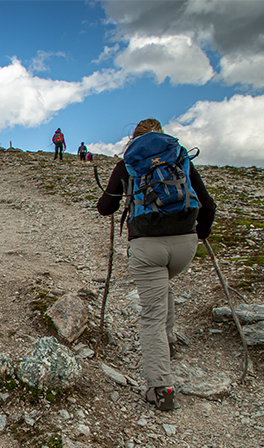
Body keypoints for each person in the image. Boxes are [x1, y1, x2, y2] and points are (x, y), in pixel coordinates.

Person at [97, 118, 215, 411]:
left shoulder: (131, 161)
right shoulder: (179, 157)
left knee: (151, 314)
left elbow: (105, 207)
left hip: (147, 246)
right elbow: (208, 205)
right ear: (162, 135)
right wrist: (200, 232)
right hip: (185, 245)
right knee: (163, 288)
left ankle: (161, 388)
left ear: (133, 138)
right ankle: (170, 342)